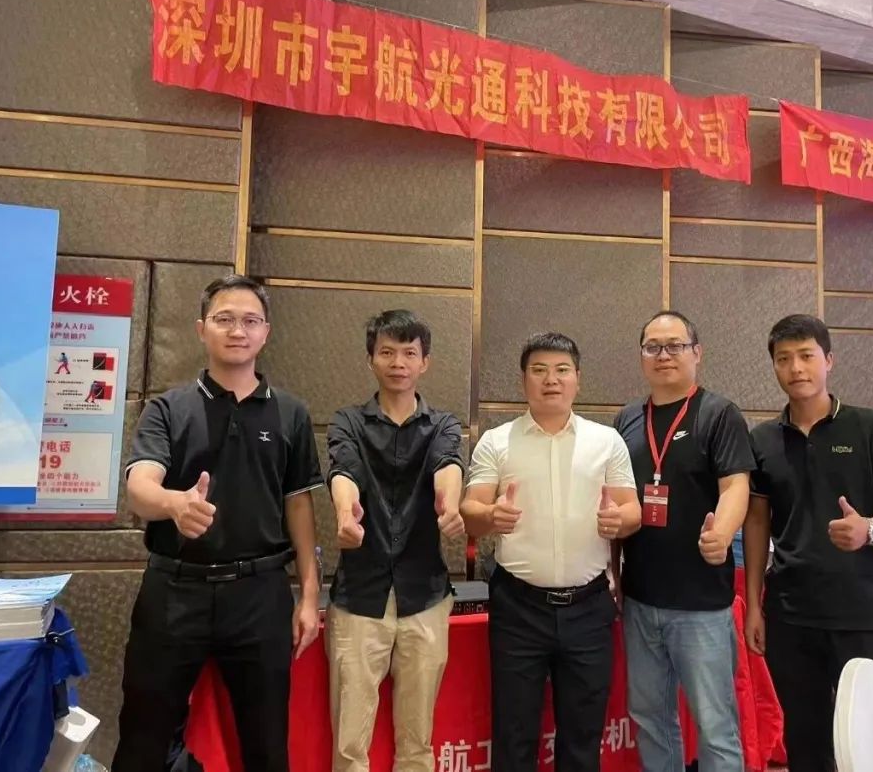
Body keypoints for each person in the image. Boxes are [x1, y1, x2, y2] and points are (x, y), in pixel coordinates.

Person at [112, 275, 323, 772]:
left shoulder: (291, 413)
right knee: (144, 738)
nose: (237, 331)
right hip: (174, 593)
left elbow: (298, 506)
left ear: (265, 333)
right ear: (201, 329)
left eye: (250, 321)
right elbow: (140, 486)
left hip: (260, 594)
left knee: (266, 744)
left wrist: (310, 595)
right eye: (224, 319)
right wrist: (174, 505)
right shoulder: (168, 408)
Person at [461, 332, 641, 772]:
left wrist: (619, 521)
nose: (551, 380)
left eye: (562, 370)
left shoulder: (606, 441)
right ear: (523, 380)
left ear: (578, 378)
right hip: (519, 608)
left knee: (582, 737)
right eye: (539, 370)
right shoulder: (497, 441)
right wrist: (491, 515)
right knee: (514, 734)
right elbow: (470, 511)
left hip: (588, 608)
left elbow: (632, 510)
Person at [744, 314, 873, 772]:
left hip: (861, 609)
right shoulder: (762, 439)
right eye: (784, 359)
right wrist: (755, 606)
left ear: (829, 360)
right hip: (791, 614)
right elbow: (756, 524)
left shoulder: (869, 427)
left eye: (806, 356)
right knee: (806, 742)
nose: (796, 368)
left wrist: (868, 529)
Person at [325, 309, 465, 772]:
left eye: (409, 353)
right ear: (371, 359)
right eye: (387, 352)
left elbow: (448, 463)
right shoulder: (348, 421)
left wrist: (449, 503)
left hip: (424, 595)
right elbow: (343, 469)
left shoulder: (442, 424)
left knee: (417, 741)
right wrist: (345, 511)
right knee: (350, 742)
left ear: (425, 362)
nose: (398, 362)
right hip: (359, 595)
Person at [613, 311, 753, 772]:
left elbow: (736, 485)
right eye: (652, 347)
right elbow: (617, 497)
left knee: (715, 726)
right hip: (640, 599)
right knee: (651, 719)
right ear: (641, 356)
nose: (664, 355)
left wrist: (722, 533)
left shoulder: (719, 413)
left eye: (675, 345)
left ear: (697, 352)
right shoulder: (627, 419)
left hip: (701, 605)